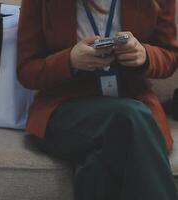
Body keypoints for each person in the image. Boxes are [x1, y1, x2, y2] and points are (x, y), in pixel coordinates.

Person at [17, 0, 178, 199]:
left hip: (133, 104)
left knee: (101, 167)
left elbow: (170, 56)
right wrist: (69, 61)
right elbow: (27, 71)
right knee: (130, 117)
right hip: (65, 108)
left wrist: (145, 55)